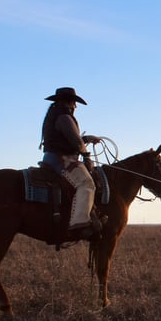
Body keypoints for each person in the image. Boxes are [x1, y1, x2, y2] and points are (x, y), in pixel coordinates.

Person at [40, 87, 103, 239]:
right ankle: (80, 224)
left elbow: (69, 139)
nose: (75, 107)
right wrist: (87, 155)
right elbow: (75, 140)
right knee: (86, 183)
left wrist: (87, 139)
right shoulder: (64, 117)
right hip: (61, 159)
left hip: (52, 156)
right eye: (74, 103)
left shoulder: (56, 114)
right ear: (68, 102)